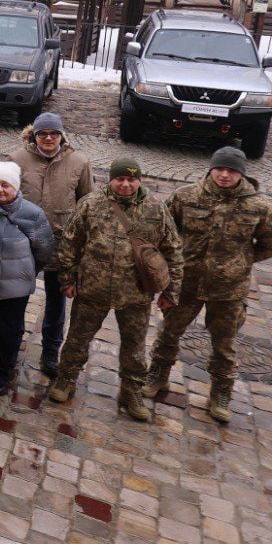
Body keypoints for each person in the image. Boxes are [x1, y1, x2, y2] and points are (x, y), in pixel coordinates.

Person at [48, 158, 183, 421]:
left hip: (135, 294)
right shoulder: (91, 203)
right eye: (120, 178)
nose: (125, 184)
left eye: (131, 179)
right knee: (77, 339)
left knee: (134, 348)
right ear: (110, 179)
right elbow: (70, 243)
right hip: (92, 290)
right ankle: (66, 380)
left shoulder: (156, 208)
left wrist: (171, 291)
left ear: (139, 180)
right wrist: (67, 279)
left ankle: (131, 391)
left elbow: (173, 250)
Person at [146, 147, 272, 423]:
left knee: (224, 345)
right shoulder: (186, 196)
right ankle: (158, 375)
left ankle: (221, 394)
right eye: (220, 169)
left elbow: (267, 243)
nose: (225, 175)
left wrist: (242, 260)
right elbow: (165, 230)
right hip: (186, 283)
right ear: (211, 169)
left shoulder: (259, 206)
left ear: (242, 174)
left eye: (232, 171)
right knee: (169, 332)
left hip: (229, 290)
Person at [8, 112, 93, 377]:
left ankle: (50, 353)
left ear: (61, 135)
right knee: (16, 298)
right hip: (24, 242)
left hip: (62, 244)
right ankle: (10, 347)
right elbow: (5, 195)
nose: (48, 138)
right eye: (42, 134)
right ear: (34, 135)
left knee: (57, 304)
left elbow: (87, 202)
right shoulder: (16, 159)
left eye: (53, 134)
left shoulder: (79, 162)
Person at [0, 162, 54, 395]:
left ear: (16, 187)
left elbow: (44, 249)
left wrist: (27, 271)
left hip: (15, 287)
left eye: (6, 185)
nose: (0, 190)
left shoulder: (32, 213)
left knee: (6, 332)